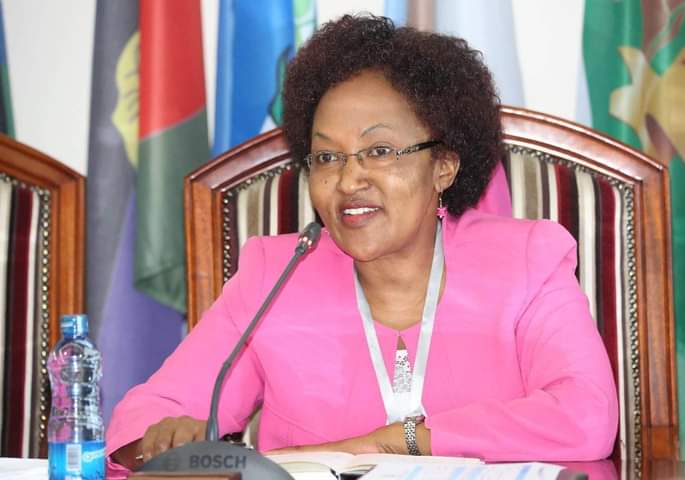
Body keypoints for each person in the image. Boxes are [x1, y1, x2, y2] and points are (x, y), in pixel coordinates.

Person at [106, 14, 618, 476]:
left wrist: (399, 442)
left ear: (444, 166)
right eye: (328, 158)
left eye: (380, 151)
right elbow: (140, 420)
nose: (350, 180)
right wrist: (165, 443)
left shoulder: (527, 262)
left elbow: (587, 414)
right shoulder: (275, 276)